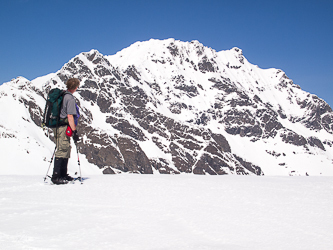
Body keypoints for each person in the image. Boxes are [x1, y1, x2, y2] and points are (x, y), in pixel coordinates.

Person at [51, 78, 80, 184]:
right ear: (75, 87)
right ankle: (56, 176)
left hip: (58, 126)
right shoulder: (70, 98)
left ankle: (63, 174)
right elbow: (70, 116)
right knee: (62, 149)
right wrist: (74, 131)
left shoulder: (63, 95)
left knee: (66, 148)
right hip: (63, 127)